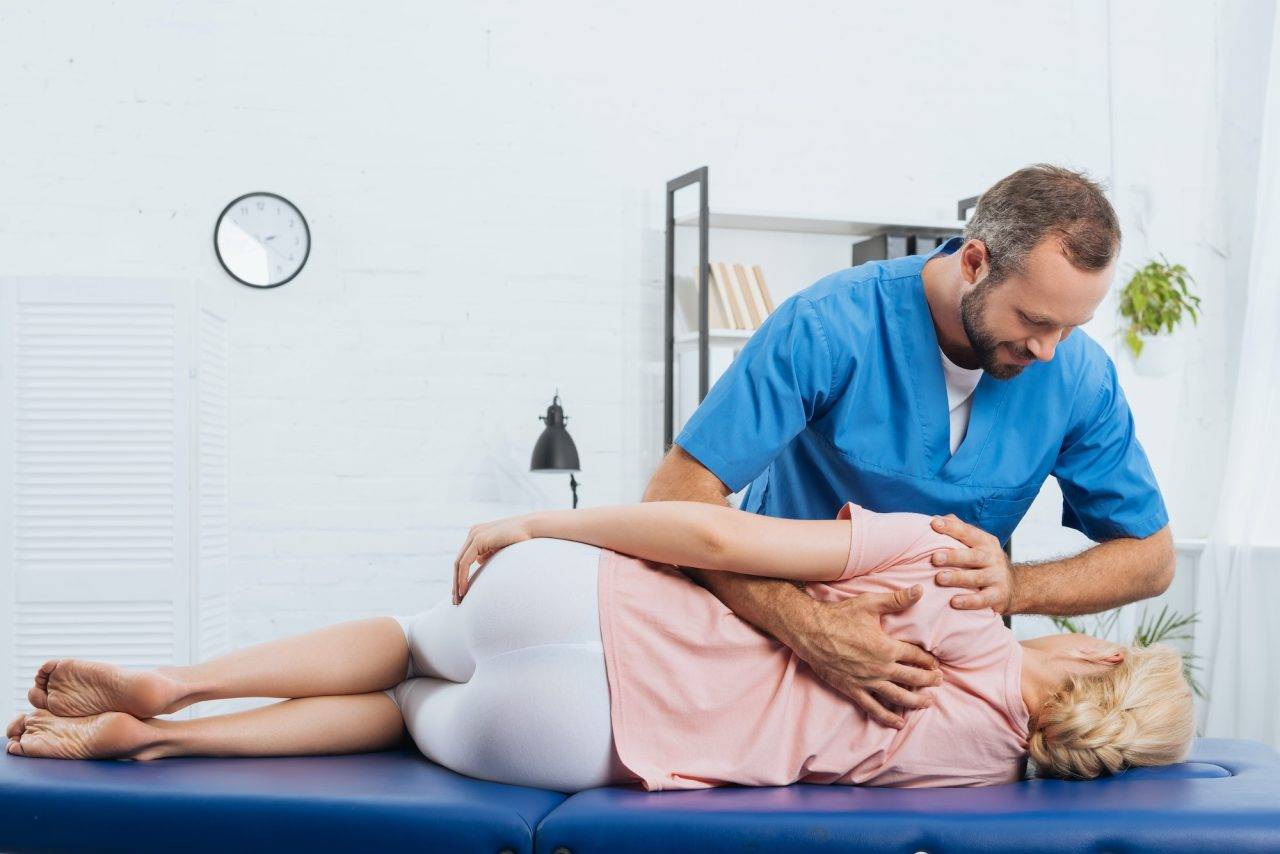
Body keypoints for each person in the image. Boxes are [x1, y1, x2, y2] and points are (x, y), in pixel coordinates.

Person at [6, 501, 1194, 792]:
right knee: (412, 712)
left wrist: (541, 521)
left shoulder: (944, 569)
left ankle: (190, 676)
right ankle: (155, 739)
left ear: (1093, 662)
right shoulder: (984, 767)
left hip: (578, 604)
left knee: (412, 637)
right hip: (587, 741)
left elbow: (709, 528)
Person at [645, 164, 1177, 729]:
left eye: (1070, 327)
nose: (1048, 350)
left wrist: (1015, 586)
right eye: (1033, 319)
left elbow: (1150, 558)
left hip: (949, 694)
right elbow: (673, 499)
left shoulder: (1078, 377)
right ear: (975, 262)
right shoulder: (828, 325)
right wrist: (805, 624)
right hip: (781, 657)